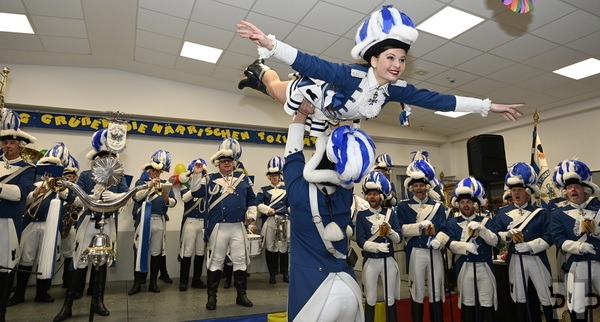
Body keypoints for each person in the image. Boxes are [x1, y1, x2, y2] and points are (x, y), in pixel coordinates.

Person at [236, 5, 524, 136]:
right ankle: (259, 69)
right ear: (373, 59)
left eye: (401, 59)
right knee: (275, 91)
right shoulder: (349, 76)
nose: (397, 64)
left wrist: (488, 106)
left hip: (334, 119)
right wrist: (270, 43)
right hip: (315, 95)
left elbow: (442, 101)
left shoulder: (396, 90)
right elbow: (311, 64)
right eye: (390, 57)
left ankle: (257, 77)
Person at [282, 100, 375, 321]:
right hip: (349, 287)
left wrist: (300, 115)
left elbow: (292, 154)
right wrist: (334, 126)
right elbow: (345, 158)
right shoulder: (345, 194)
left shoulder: (298, 194)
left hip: (315, 292)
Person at [54, 129, 130, 322]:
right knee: (79, 262)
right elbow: (73, 199)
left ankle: (98, 301)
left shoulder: (119, 178)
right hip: (88, 222)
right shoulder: (87, 176)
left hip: (108, 224)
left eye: (109, 157)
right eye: (102, 156)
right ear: (96, 159)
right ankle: (68, 305)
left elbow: (127, 197)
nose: (105, 160)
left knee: (102, 265)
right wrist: (89, 198)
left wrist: (116, 197)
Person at [189, 138, 257, 310]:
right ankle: (212, 298)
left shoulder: (243, 179)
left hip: (238, 227)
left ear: (234, 163)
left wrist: (251, 215)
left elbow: (252, 200)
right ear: (217, 164)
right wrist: (197, 174)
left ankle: (242, 295)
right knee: (216, 261)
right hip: (218, 227)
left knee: (240, 260)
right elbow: (196, 192)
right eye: (223, 161)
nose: (227, 163)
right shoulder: (210, 179)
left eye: (229, 161)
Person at [8, 143, 71, 307]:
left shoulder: (61, 182)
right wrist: (36, 191)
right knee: (26, 258)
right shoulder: (33, 179)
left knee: (47, 258)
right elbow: (25, 199)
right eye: (47, 166)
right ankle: (19, 294)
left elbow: (67, 196)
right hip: (31, 223)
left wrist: (56, 185)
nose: (49, 168)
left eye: (53, 166)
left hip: (51, 226)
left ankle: (43, 293)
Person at [491, 162, 555, 322]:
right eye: (513, 190)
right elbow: (496, 237)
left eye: (520, 190)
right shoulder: (502, 213)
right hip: (515, 260)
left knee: (546, 295)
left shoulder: (540, 213)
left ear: (528, 192)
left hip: (536, 259)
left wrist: (531, 246)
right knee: (518, 296)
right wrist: (507, 235)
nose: (516, 193)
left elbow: (549, 237)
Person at [396, 159, 449, 322]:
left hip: (434, 251)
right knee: (417, 290)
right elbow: (400, 229)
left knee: (436, 290)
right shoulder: (403, 206)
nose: (419, 188)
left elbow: (445, 229)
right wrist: (418, 226)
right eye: (416, 186)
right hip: (416, 252)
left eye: (422, 185)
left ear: (427, 187)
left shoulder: (438, 206)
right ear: (411, 188)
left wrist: (439, 241)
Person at [549, 159, 600, 322]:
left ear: (585, 189)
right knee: (577, 306)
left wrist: (597, 232)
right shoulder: (558, 214)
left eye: (576, 187)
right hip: (576, 265)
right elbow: (558, 239)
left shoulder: (597, 210)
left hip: (598, 263)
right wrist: (579, 246)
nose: (573, 190)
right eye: (569, 187)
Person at [0, 108, 37, 322]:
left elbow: (19, 194)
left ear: (19, 145)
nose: (7, 146)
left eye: (12, 142)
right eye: (5, 142)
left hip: (9, 223)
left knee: (6, 268)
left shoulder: (27, 168)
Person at [446, 177, 499, 322]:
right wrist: (465, 247)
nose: (465, 205)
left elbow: (495, 241)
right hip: (465, 267)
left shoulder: (487, 220)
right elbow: (449, 243)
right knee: (467, 304)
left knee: (486, 302)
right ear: (458, 205)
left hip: (484, 266)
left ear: (474, 204)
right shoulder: (452, 223)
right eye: (462, 202)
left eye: (468, 202)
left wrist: (482, 230)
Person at [355, 171, 402, 322]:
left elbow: (399, 238)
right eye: (369, 194)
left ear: (381, 196)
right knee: (370, 297)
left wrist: (391, 231)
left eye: (375, 194)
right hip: (370, 261)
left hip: (388, 260)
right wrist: (376, 247)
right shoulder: (361, 215)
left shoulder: (390, 213)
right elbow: (360, 240)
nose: (372, 197)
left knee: (390, 297)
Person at [128, 150, 176, 295]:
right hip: (144, 220)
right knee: (139, 251)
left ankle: (153, 282)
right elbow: (136, 197)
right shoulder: (141, 182)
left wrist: (167, 197)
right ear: (149, 171)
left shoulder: (166, 184)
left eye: (158, 171)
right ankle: (137, 282)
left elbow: (173, 203)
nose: (156, 173)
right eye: (153, 171)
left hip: (159, 220)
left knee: (156, 252)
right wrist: (150, 185)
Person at [257, 156, 289, 284]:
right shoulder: (263, 189)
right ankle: (272, 274)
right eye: (271, 175)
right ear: (268, 177)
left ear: (280, 176)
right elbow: (258, 203)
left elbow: (291, 205)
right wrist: (268, 210)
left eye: (276, 175)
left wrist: (281, 211)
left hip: (283, 220)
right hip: (270, 220)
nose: (274, 177)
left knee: (284, 247)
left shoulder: (287, 189)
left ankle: (285, 273)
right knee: (270, 247)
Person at [177, 158, 208, 291]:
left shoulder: (208, 184)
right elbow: (185, 198)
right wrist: (196, 181)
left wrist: (203, 183)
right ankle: (183, 281)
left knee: (200, 252)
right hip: (190, 221)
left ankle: (197, 279)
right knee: (187, 251)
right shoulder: (186, 185)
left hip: (203, 222)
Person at [60, 155, 83, 289]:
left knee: (73, 254)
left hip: (75, 225)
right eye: (68, 176)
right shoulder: (61, 189)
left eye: (73, 176)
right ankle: (66, 281)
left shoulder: (79, 189)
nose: (71, 178)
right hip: (65, 225)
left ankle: (71, 282)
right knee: (67, 254)